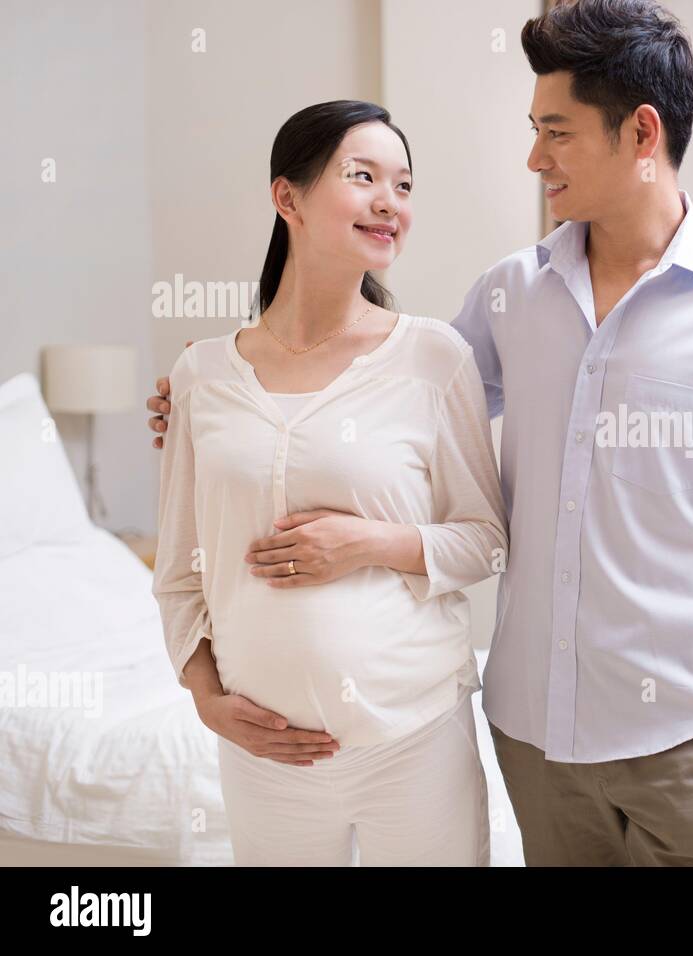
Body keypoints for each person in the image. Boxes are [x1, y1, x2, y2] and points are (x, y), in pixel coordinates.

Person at [149, 0, 693, 866]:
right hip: (533, 732)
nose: (534, 157)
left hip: (688, 732)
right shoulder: (510, 295)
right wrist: (219, 398)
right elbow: (381, 401)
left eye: (555, 132)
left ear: (640, 133)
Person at [151, 100, 508, 865]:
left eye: (404, 185)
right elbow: (180, 572)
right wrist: (207, 698)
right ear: (288, 197)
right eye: (363, 176)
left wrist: (368, 544)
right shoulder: (202, 375)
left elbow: (485, 541)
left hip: (412, 738)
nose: (390, 201)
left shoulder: (434, 358)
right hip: (266, 754)